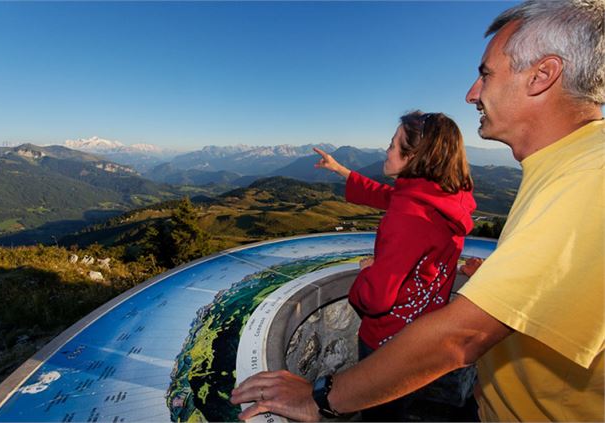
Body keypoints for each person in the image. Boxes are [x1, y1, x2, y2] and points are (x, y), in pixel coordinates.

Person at [230, 0, 604, 421]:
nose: (471, 93)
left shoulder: (590, 177)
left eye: (486, 74)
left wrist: (319, 397)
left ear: (542, 76)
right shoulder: (551, 171)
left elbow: (461, 337)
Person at [311, 111, 475, 420]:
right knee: (400, 402)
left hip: (385, 340)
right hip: (422, 332)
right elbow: (393, 196)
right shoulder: (446, 199)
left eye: (392, 144)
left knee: (379, 412)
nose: (385, 150)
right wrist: (342, 171)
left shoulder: (408, 217)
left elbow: (376, 298)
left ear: (413, 156)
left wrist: (368, 272)